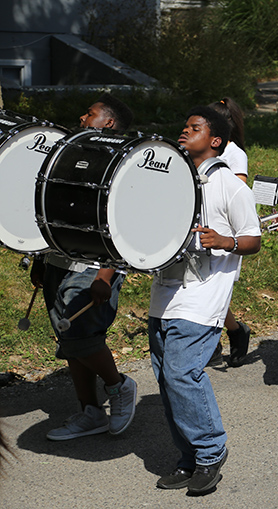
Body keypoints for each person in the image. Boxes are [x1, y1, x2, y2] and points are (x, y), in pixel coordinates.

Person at [149, 106, 261, 494]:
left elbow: (254, 239)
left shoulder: (230, 185)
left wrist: (224, 241)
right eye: (184, 124)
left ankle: (211, 453)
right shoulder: (174, 180)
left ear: (215, 141)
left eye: (194, 127)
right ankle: (188, 458)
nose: (184, 130)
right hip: (164, 296)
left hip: (202, 299)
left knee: (183, 374)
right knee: (166, 379)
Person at [34, 94, 138, 442]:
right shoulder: (71, 156)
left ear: (107, 123)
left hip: (94, 266)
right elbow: (54, 208)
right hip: (58, 259)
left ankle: (119, 386)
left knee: (82, 336)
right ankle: (90, 412)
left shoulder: (124, 165)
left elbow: (126, 222)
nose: (82, 117)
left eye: (90, 114)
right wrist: (40, 258)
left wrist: (106, 274)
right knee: (69, 338)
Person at [209, 97, 252, 367]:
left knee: (216, 291)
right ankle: (234, 331)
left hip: (225, 231)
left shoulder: (235, 154)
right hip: (202, 225)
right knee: (208, 290)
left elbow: (239, 190)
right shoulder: (202, 149)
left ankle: (229, 335)